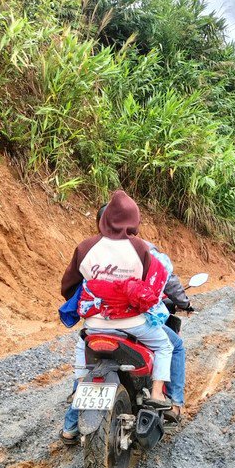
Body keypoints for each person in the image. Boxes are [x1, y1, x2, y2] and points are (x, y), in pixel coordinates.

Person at [59, 190, 174, 445]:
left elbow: (69, 286)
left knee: (82, 351)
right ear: (134, 220)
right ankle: (157, 393)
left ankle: (76, 402)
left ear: (105, 219)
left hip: (94, 325)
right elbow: (151, 289)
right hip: (132, 324)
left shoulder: (86, 247)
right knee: (165, 346)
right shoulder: (140, 248)